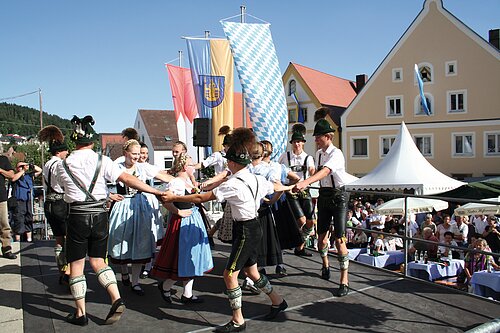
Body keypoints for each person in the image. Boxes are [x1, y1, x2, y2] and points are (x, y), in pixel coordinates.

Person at [162, 128, 290, 333]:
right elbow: (274, 186)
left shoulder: (234, 184)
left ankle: (238, 320)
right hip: (254, 227)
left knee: (229, 274)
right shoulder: (256, 178)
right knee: (253, 272)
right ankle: (278, 300)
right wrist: (294, 185)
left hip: (246, 230)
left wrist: (173, 198)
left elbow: (200, 198)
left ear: (231, 163)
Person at [54, 116, 166, 326]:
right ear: (92, 141)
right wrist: (154, 191)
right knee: (98, 261)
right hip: (99, 216)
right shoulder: (102, 160)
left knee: (76, 266)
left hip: (77, 215)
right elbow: (127, 178)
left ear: (74, 141)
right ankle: (116, 298)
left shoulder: (63, 164)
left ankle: (81, 313)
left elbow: (62, 190)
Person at [293, 115, 357, 297]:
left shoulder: (336, 154)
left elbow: (325, 172)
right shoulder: (319, 153)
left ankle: (344, 279)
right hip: (324, 196)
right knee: (321, 240)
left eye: (318, 136)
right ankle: (325, 264)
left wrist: (305, 183)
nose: (315, 140)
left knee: (339, 239)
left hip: (339, 197)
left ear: (328, 137)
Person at [107, 139, 173, 295]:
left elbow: (163, 176)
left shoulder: (143, 168)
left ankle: (135, 282)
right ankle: (124, 272)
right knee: (120, 241)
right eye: (133, 154)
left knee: (140, 243)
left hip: (140, 206)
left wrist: (183, 182)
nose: (136, 157)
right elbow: (98, 183)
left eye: (138, 154)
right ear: (125, 153)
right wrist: (109, 195)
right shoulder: (116, 167)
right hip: (123, 206)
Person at [152, 152, 213, 304]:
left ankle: (187, 294)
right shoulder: (177, 183)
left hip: (193, 219)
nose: (194, 168)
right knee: (183, 258)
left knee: (193, 256)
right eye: (192, 165)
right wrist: (178, 211)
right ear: (186, 167)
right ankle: (166, 286)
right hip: (183, 223)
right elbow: (165, 200)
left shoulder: (188, 181)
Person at [38, 125, 70, 283]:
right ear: (60, 151)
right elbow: (66, 184)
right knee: (68, 239)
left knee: (58, 240)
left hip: (49, 203)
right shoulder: (60, 164)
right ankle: (68, 272)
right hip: (60, 203)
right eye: (66, 151)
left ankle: (61, 271)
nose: (67, 153)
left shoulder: (47, 164)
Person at [278, 123, 316, 257]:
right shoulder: (285, 156)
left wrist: (314, 172)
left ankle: (300, 246)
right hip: (291, 191)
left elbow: (311, 170)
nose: (297, 144)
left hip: (305, 191)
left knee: (311, 222)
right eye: (294, 142)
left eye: (299, 142)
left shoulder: (308, 158)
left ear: (303, 143)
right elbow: (277, 169)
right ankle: (296, 242)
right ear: (292, 143)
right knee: (302, 221)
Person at [10, 161, 42, 242]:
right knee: (18, 220)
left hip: (28, 200)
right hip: (19, 201)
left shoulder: (29, 176)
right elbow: (13, 178)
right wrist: (23, 170)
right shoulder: (15, 175)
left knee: (29, 219)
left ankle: (29, 239)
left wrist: (31, 165)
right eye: (20, 166)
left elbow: (40, 170)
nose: (23, 167)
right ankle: (17, 240)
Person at [0, 155, 16, 259]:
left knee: (4, 224)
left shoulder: (3, 159)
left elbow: (11, 175)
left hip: (1, 197)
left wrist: (1, 170)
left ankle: (6, 249)